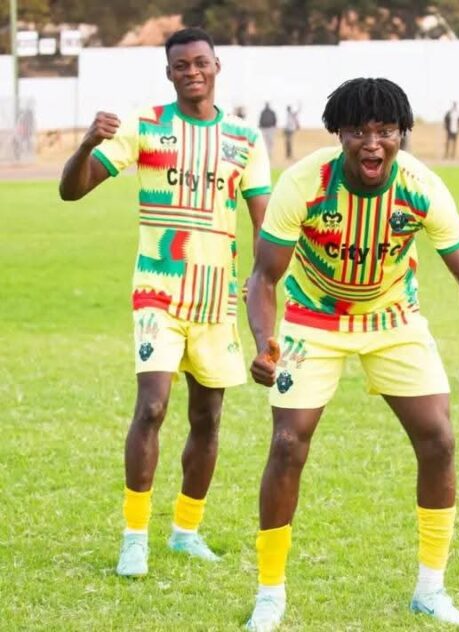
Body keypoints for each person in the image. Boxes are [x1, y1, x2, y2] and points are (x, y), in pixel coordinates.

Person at [245, 77, 459, 630]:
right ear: (338, 134)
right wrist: (264, 342)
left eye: (386, 131)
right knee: (288, 443)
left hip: (393, 317)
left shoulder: (421, 187)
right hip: (312, 319)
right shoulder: (304, 184)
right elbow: (264, 278)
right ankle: (270, 594)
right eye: (358, 132)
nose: (373, 143)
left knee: (439, 440)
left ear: (402, 133)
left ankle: (431, 589)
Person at [58, 27, 271, 578]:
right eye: (181, 65)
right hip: (158, 291)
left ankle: (185, 531)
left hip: (216, 300)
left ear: (217, 66)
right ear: (169, 72)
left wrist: (263, 281)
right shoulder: (145, 126)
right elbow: (72, 189)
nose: (192, 72)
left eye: (200, 62)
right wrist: (86, 144)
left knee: (207, 418)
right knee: (151, 407)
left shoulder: (245, 139)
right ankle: (134, 539)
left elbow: (264, 223)